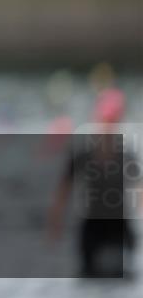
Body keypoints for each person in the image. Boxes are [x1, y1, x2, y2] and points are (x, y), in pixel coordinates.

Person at [47, 88, 138, 279]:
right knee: (89, 275)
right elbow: (64, 189)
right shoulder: (82, 153)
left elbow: (139, 189)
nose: (108, 126)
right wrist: (55, 224)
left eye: (113, 121)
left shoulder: (127, 155)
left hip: (119, 226)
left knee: (121, 274)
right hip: (91, 227)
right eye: (106, 121)